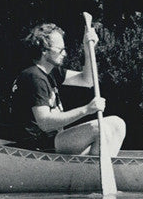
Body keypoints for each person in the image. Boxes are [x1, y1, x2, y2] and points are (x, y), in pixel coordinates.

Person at [9, 22, 126, 155]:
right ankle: (92, 170)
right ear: (44, 50)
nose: (65, 53)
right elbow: (45, 123)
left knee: (117, 124)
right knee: (101, 128)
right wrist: (87, 109)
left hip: (52, 141)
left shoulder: (51, 72)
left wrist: (88, 50)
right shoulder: (34, 77)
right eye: (60, 50)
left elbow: (87, 80)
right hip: (36, 145)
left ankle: (92, 170)